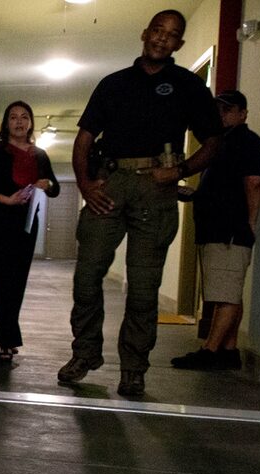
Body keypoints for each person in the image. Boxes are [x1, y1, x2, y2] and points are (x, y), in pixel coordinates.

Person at [57, 10, 223, 396]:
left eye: (173, 35)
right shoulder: (114, 84)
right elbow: (84, 141)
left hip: (156, 186)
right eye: (158, 31)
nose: (163, 39)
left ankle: (133, 367)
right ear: (145, 33)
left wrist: (180, 170)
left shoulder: (186, 85)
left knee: (144, 288)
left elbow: (214, 141)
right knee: (86, 277)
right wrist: (85, 184)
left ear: (179, 44)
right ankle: (85, 353)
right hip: (110, 183)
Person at [171, 90, 260, 371]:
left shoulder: (245, 141)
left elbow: (254, 182)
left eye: (228, 109)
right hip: (218, 227)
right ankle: (228, 349)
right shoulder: (223, 143)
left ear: (242, 113)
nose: (222, 115)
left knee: (224, 294)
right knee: (228, 290)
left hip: (229, 230)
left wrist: (249, 222)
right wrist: (196, 195)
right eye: (218, 110)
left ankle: (210, 350)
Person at [0, 100, 60, 361]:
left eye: (25, 117)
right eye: (14, 117)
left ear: (31, 122)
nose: (20, 122)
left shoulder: (40, 155)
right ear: (6, 123)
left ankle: (7, 336)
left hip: (26, 226)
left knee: (18, 280)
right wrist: (7, 199)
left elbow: (55, 188)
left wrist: (47, 185)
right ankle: (5, 339)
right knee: (2, 280)